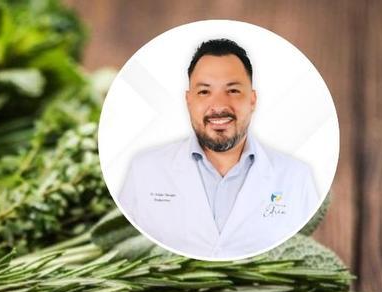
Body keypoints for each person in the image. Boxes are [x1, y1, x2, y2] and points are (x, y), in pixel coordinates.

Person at [118, 38, 321, 259]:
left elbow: (303, 263)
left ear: (252, 100)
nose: (219, 106)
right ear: (188, 100)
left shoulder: (297, 177)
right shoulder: (144, 169)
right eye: (204, 92)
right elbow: (122, 249)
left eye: (233, 91)